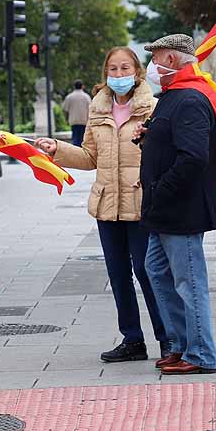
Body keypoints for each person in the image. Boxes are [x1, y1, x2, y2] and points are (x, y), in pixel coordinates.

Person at [36, 49, 170, 364]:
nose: (119, 73)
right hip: (107, 204)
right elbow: (89, 157)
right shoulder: (98, 109)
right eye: (113, 68)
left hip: (139, 204)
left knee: (146, 271)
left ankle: (168, 339)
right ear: (105, 72)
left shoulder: (153, 108)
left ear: (137, 72)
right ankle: (132, 340)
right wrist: (57, 149)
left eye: (125, 67)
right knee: (118, 273)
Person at [138, 33, 216, 375]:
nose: (150, 67)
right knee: (157, 271)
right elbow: (173, 143)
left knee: (188, 280)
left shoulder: (189, 99)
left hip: (181, 209)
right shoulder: (172, 97)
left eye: (154, 57)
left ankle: (200, 353)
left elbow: (193, 157)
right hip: (164, 210)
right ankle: (180, 343)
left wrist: (160, 189)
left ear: (171, 60)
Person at [62, 80, 92, 147]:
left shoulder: (69, 97)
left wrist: (66, 119)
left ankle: (76, 152)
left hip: (74, 121)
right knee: (83, 139)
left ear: (74, 86)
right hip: (84, 120)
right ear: (82, 86)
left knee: (75, 138)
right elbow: (91, 109)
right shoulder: (86, 97)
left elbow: (65, 109)